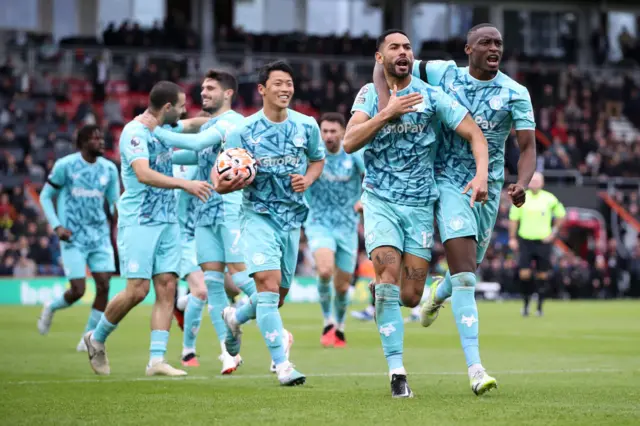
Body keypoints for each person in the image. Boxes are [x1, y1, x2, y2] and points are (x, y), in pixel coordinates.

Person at [375, 23, 537, 396]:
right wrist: (386, 103)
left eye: (498, 42)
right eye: (485, 42)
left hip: (487, 186)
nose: (493, 47)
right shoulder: (441, 71)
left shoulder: (515, 93)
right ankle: (476, 368)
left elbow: (527, 147)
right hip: (446, 180)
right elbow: (383, 66)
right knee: (467, 278)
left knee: (467, 268)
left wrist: (523, 183)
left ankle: (437, 293)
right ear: (468, 49)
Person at [345, 29, 489, 398]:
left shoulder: (431, 96)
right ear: (381, 58)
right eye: (394, 47)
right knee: (388, 274)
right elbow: (349, 142)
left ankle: (389, 295)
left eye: (407, 47)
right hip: (379, 201)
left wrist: (481, 175)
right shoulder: (368, 95)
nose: (402, 52)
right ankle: (397, 372)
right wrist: (387, 112)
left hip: (420, 205)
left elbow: (474, 133)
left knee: (409, 295)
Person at [83, 81, 214, 377]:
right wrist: (185, 183)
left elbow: (195, 124)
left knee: (167, 286)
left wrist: (226, 121)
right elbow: (143, 173)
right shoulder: (134, 133)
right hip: (140, 221)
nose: (184, 111)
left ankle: (156, 360)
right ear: (167, 108)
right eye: (180, 106)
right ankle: (96, 337)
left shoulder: (165, 130)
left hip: (168, 222)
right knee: (137, 291)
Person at [213, 60, 326, 386]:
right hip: (258, 216)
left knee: (277, 296)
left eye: (288, 83)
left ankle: (235, 317)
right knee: (267, 284)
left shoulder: (307, 126)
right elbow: (220, 173)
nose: (285, 89)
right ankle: (283, 365)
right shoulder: (243, 131)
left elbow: (318, 159)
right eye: (278, 83)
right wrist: (225, 184)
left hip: (292, 220)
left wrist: (307, 179)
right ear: (262, 89)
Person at [149, 70, 256, 373]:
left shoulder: (232, 123)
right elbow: (196, 159)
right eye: (203, 88)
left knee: (242, 278)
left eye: (211, 88)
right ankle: (228, 351)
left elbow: (196, 146)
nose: (204, 93)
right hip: (206, 209)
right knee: (212, 284)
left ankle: (279, 332)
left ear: (228, 93)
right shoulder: (211, 124)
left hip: (230, 207)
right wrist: (158, 158)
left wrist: (150, 130)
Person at [38, 125, 119, 350]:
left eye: (102, 138)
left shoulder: (109, 169)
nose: (101, 142)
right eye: (95, 138)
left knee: (104, 285)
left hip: (99, 237)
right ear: (82, 143)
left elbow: (114, 202)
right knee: (78, 290)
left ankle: (89, 337)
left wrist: (120, 218)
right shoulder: (66, 166)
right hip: (72, 237)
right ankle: (51, 307)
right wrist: (57, 227)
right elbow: (45, 196)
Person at [305, 112, 364, 348]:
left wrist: (364, 200)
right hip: (319, 221)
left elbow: (372, 176)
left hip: (347, 226)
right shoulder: (313, 154)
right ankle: (327, 321)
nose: (328, 135)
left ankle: (339, 326)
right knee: (325, 270)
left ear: (342, 132)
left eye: (333, 131)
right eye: (325, 131)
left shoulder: (353, 154)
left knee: (342, 286)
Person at [509, 172, 565, 317]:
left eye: (537, 181)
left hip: (543, 241)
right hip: (525, 240)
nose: (534, 183)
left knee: (542, 275)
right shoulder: (522, 197)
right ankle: (526, 305)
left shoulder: (549, 198)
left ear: (542, 183)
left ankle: (539, 308)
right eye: (532, 180)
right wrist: (512, 238)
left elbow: (561, 214)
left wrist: (554, 232)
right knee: (524, 274)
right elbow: (513, 219)